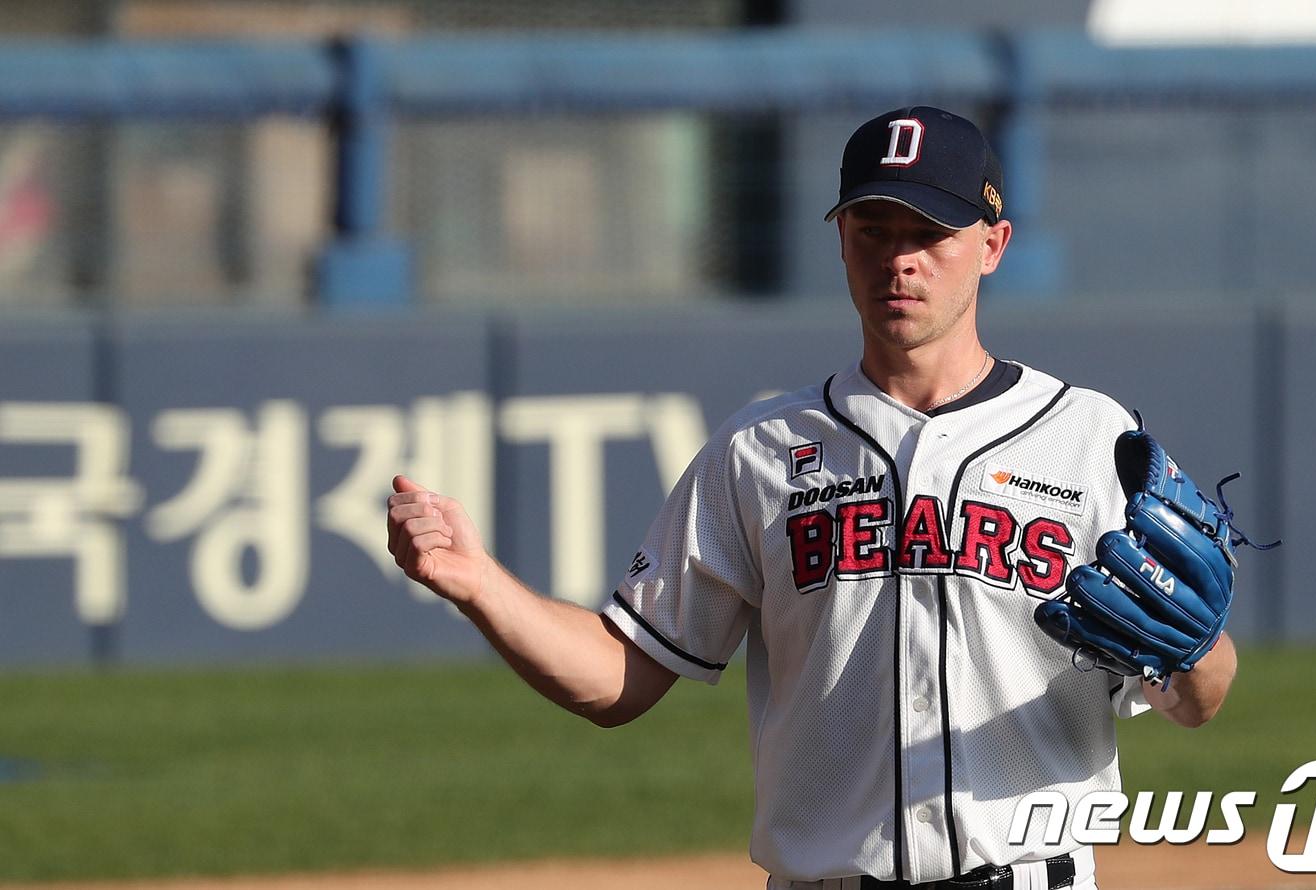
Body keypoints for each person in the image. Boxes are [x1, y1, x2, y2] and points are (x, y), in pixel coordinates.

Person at [385, 106, 1238, 890]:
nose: (899, 259)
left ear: (994, 244)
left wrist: (1197, 654)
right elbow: (619, 677)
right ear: (839, 240)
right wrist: (479, 583)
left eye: (929, 233)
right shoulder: (760, 449)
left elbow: (1198, 698)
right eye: (873, 229)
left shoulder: (1091, 438)